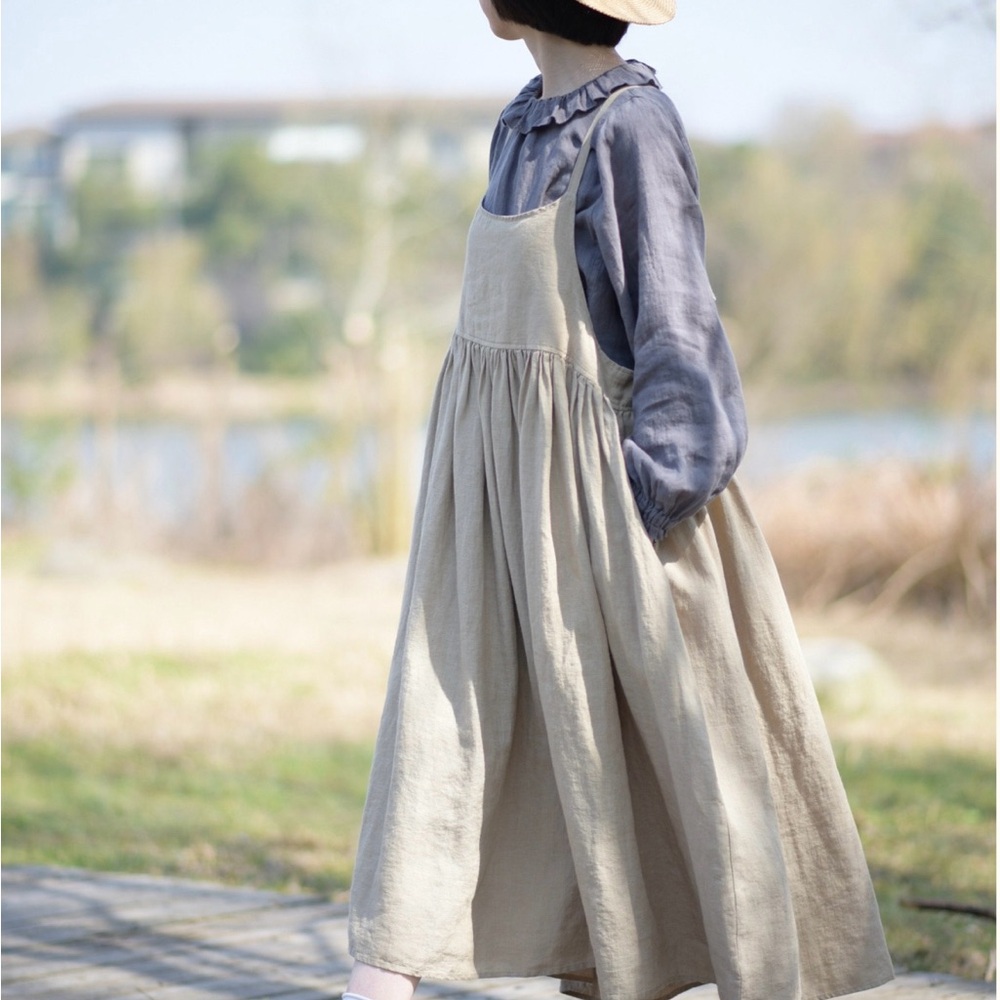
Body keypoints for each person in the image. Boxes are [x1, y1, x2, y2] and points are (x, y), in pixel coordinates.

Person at [344, 1, 895, 998]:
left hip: (605, 528)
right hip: (490, 525)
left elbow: (686, 371)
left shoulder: (630, 129)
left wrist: (616, 529)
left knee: (648, 789)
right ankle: (383, 975)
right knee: (443, 750)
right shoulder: (521, 125)